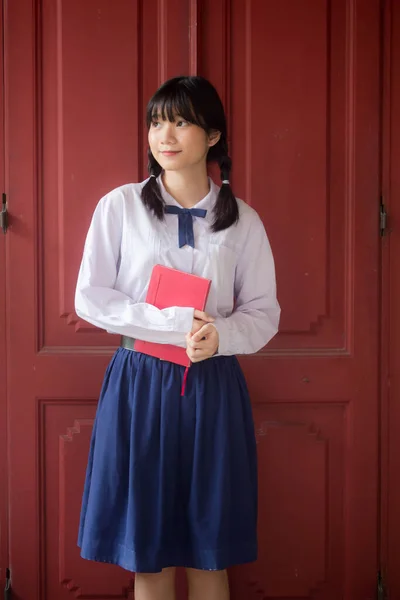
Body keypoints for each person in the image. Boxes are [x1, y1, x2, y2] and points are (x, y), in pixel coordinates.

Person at [75, 75, 280, 600]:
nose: (165, 134)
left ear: (212, 136)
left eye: (182, 121)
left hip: (213, 386)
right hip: (138, 385)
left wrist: (220, 336)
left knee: (210, 554)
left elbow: (264, 313)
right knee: (150, 555)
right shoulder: (119, 207)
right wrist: (175, 323)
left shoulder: (244, 222)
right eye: (157, 121)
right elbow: (91, 298)